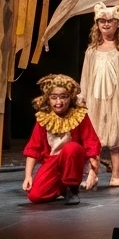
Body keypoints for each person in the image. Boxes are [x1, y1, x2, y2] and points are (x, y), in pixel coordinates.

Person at [78, 3, 119, 188]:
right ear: (97, 24)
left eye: (109, 21)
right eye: (102, 21)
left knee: (116, 136)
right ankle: (93, 174)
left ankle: (116, 174)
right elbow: (85, 76)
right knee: (93, 138)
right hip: (94, 99)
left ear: (117, 24)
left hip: (116, 99)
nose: (105, 24)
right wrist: (81, 98)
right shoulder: (92, 51)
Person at [22, 74, 101, 204]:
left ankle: (72, 189)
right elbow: (33, 148)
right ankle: (63, 187)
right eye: (54, 97)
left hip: (73, 159)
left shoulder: (79, 115)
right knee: (35, 197)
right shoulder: (43, 118)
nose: (58, 102)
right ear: (48, 98)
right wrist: (28, 176)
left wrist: (93, 172)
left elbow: (91, 142)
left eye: (63, 97)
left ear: (70, 97)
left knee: (71, 148)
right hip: (52, 161)